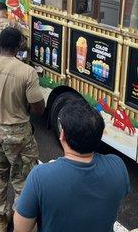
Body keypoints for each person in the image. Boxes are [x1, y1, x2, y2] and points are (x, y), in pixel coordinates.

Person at [14, 97, 130, 232]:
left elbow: (21, 229)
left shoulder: (40, 176)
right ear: (99, 136)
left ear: (62, 135)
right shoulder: (118, 166)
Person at [0, 27, 45, 232]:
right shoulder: (27, 72)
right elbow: (39, 109)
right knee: (23, 179)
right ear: (18, 46)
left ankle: (1, 219)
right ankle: (22, 219)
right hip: (19, 133)